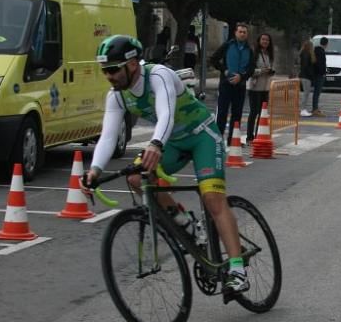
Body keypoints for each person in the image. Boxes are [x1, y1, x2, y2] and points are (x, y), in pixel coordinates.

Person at [85, 35, 249, 293]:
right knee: (137, 178)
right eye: (104, 70)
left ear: (132, 64)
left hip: (202, 136)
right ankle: (186, 223)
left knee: (213, 198)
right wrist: (94, 170)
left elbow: (166, 113)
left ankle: (238, 268)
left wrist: (156, 144)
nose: (109, 76)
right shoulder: (117, 95)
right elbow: (107, 136)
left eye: (113, 69)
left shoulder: (158, 75)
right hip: (172, 142)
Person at [208, 22, 251, 144]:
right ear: (235, 33)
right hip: (226, 84)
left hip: (240, 85)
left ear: (247, 34)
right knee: (222, 112)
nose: (242, 34)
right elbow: (213, 59)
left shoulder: (249, 49)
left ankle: (233, 139)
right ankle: (218, 138)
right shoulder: (228, 45)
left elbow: (251, 68)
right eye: (240, 31)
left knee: (237, 114)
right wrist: (224, 70)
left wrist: (242, 76)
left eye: (244, 32)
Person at [247, 32, 276, 140]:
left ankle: (258, 135)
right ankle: (249, 137)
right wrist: (261, 71)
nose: (265, 41)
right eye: (263, 39)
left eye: (267, 40)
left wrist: (271, 71)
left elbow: (270, 67)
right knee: (253, 112)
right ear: (259, 41)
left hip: (265, 87)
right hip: (254, 87)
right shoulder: (254, 53)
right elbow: (249, 71)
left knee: (262, 113)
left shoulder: (269, 54)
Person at [311, 36, 328, 117]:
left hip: (315, 74)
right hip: (319, 75)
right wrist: (323, 72)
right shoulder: (321, 52)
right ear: (326, 44)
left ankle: (315, 108)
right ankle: (315, 109)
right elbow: (320, 64)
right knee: (317, 92)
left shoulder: (316, 50)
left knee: (316, 92)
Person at [298, 39, 315, 118]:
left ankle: (303, 109)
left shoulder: (303, 53)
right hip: (306, 76)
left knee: (306, 93)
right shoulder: (307, 54)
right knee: (306, 93)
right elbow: (306, 66)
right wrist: (311, 75)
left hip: (304, 76)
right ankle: (303, 109)